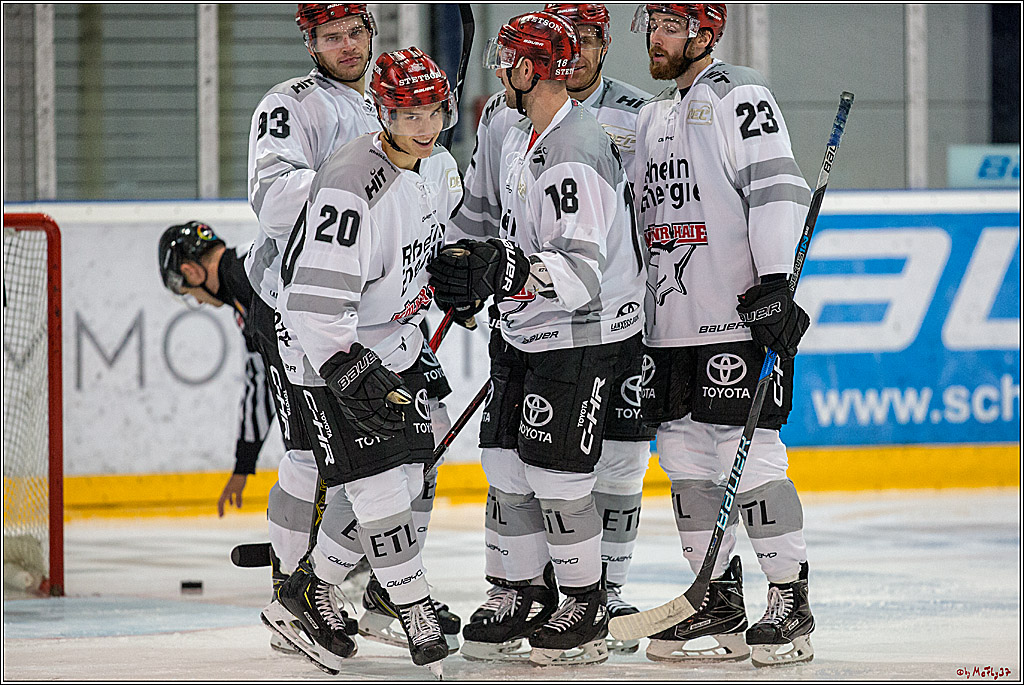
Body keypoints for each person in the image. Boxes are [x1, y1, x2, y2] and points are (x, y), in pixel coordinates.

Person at [428, 10, 647, 667]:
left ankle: (583, 600)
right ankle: (521, 589)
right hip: (523, 328)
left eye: (510, 60)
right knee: (504, 459)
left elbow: (579, 275)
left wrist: (508, 268)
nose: (501, 68)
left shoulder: (575, 147)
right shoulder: (519, 128)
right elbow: (482, 213)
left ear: (532, 69)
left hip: (579, 334)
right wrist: (459, 264)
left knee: (558, 473)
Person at [261, 47, 463, 677]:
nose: (425, 124)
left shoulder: (433, 169)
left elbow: (428, 253)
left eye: (433, 109)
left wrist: (468, 273)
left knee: (403, 480)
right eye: (409, 113)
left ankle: (312, 587)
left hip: (390, 342)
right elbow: (314, 303)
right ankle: (412, 602)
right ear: (383, 112)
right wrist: (348, 370)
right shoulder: (350, 184)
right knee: (378, 486)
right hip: (332, 352)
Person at [631, 3, 816, 667]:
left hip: (736, 316)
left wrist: (772, 284)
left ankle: (790, 599)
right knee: (682, 455)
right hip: (669, 325)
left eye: (672, 25)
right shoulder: (653, 115)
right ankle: (716, 598)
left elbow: (774, 188)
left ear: (707, 33)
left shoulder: (742, 94)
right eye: (652, 23)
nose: (657, 36)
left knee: (754, 451)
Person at [157, 221, 276, 519]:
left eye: (189, 292)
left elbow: (261, 383)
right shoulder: (245, 273)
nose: (197, 300)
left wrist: (243, 465)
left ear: (192, 272)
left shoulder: (245, 286)